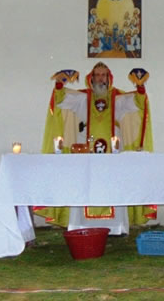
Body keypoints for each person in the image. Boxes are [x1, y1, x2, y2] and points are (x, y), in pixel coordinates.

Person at [38, 62, 156, 235]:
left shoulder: (118, 98)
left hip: (113, 152)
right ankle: (81, 225)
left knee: (113, 185)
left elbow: (138, 104)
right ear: (91, 78)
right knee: (84, 185)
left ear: (109, 77)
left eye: (104, 75)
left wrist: (140, 87)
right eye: (97, 75)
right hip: (86, 150)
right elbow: (61, 100)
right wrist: (59, 84)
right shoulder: (82, 98)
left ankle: (115, 227)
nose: (101, 78)